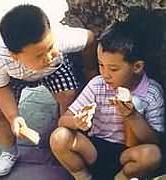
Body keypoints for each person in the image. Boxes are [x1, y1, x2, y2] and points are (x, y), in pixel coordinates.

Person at [0, 4, 97, 176]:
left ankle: (64, 140)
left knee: (69, 95)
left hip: (55, 70)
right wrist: (14, 117)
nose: (48, 56)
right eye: (39, 55)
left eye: (50, 47)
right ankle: (9, 151)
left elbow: (90, 39)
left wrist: (91, 71)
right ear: (14, 55)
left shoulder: (62, 40)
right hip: (15, 77)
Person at [50, 17, 164, 180]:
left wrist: (132, 115)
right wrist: (77, 122)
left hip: (128, 155)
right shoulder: (98, 85)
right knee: (59, 137)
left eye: (113, 69)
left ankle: (122, 177)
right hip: (94, 148)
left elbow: (155, 140)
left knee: (153, 155)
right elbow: (63, 121)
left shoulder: (151, 93)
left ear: (137, 67)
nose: (105, 74)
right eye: (101, 65)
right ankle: (83, 176)